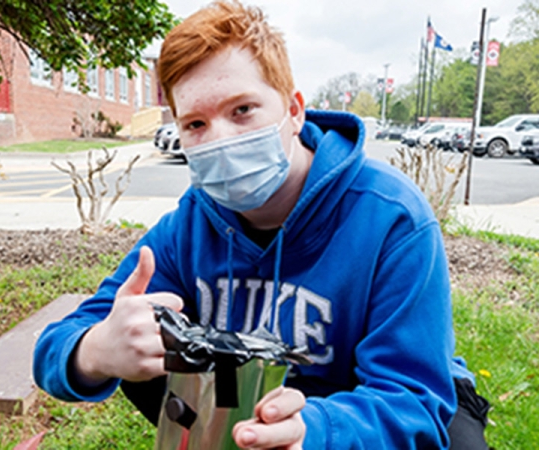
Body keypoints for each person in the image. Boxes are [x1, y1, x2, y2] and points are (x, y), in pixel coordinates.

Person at [33, 1, 489, 448]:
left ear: (294, 110)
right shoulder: (189, 225)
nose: (221, 140)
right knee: (140, 347)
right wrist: (95, 350)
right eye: (195, 123)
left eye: (242, 110)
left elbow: (413, 397)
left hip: (371, 398)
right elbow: (57, 346)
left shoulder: (392, 217)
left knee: (456, 441)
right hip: (255, 391)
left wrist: (313, 430)